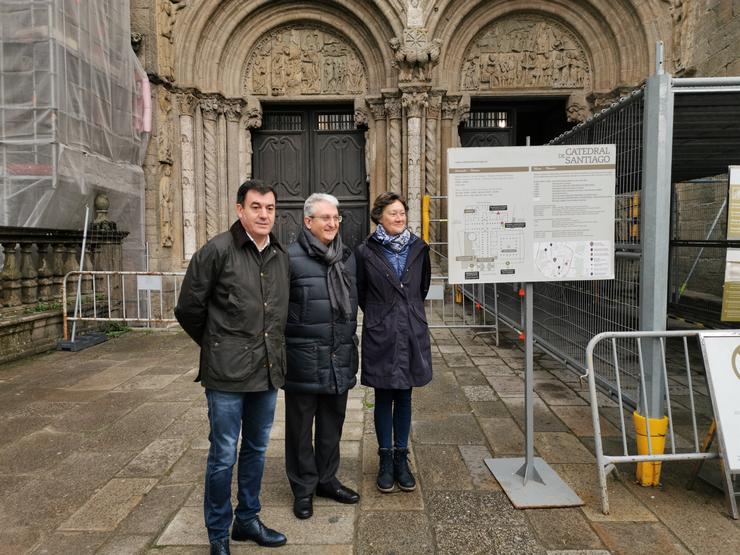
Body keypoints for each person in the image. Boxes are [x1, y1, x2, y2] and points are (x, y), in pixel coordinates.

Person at [175, 180, 289, 555]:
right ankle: (219, 532)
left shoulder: (279, 254)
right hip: (225, 375)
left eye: (270, 208)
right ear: (239, 209)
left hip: (266, 370)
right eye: (256, 207)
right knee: (223, 453)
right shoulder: (217, 251)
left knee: (256, 449)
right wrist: (217, 344)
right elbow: (188, 309)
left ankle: (248, 519)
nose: (264, 215)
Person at [284, 193, 360, 520]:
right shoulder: (289, 258)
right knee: (300, 429)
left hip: (338, 355)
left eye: (336, 217)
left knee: (332, 425)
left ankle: (327, 480)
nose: (332, 223)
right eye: (324, 218)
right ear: (308, 222)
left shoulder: (345, 257)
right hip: (303, 359)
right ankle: (303, 488)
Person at [354, 192, 433, 493]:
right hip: (381, 331)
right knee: (383, 395)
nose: (400, 218)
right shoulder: (365, 251)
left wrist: (408, 312)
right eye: (393, 214)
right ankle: (385, 458)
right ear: (379, 218)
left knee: (405, 396)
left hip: (411, 329)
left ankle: (402, 457)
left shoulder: (419, 248)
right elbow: (361, 292)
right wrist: (381, 315)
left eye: (402, 213)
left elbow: (421, 288)